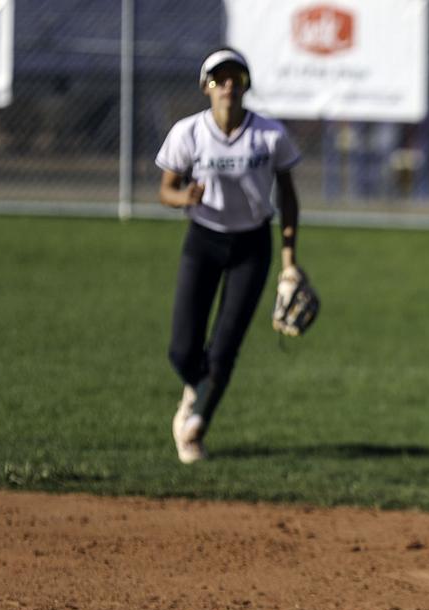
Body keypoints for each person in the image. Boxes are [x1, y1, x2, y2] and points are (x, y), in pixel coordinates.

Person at [155, 48, 303, 463]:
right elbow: (164, 189)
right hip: (204, 239)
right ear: (207, 87)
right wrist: (184, 196)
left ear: (246, 85)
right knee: (182, 350)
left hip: (252, 246)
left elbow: (289, 198)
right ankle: (197, 389)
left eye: (236, 78)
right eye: (219, 79)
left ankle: (195, 425)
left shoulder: (269, 135)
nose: (229, 86)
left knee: (224, 348)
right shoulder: (189, 133)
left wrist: (289, 262)